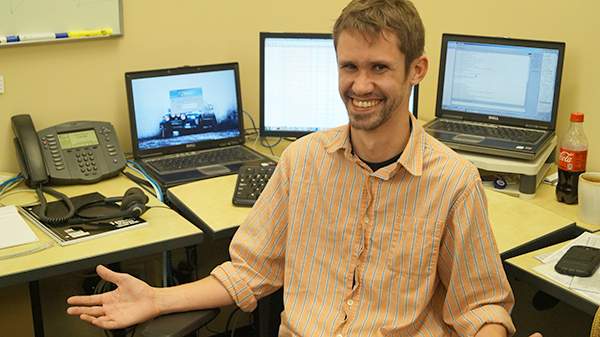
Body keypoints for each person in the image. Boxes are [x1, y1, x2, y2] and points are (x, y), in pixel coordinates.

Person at [68, 0, 538, 336]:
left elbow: (479, 306)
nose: (360, 84)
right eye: (348, 66)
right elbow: (250, 271)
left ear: (417, 70)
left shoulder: (452, 181)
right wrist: (157, 297)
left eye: (379, 68)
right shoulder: (302, 161)